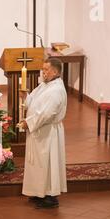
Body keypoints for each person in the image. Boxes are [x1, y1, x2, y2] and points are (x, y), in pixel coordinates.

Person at [19, 58, 68, 209]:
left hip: (48, 133)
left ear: (55, 72)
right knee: (39, 164)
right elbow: (32, 101)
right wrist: (25, 97)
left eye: (46, 70)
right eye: (43, 69)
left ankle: (50, 197)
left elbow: (47, 114)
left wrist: (29, 122)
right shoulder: (44, 85)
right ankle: (39, 192)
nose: (43, 72)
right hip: (39, 131)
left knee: (49, 164)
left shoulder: (56, 90)